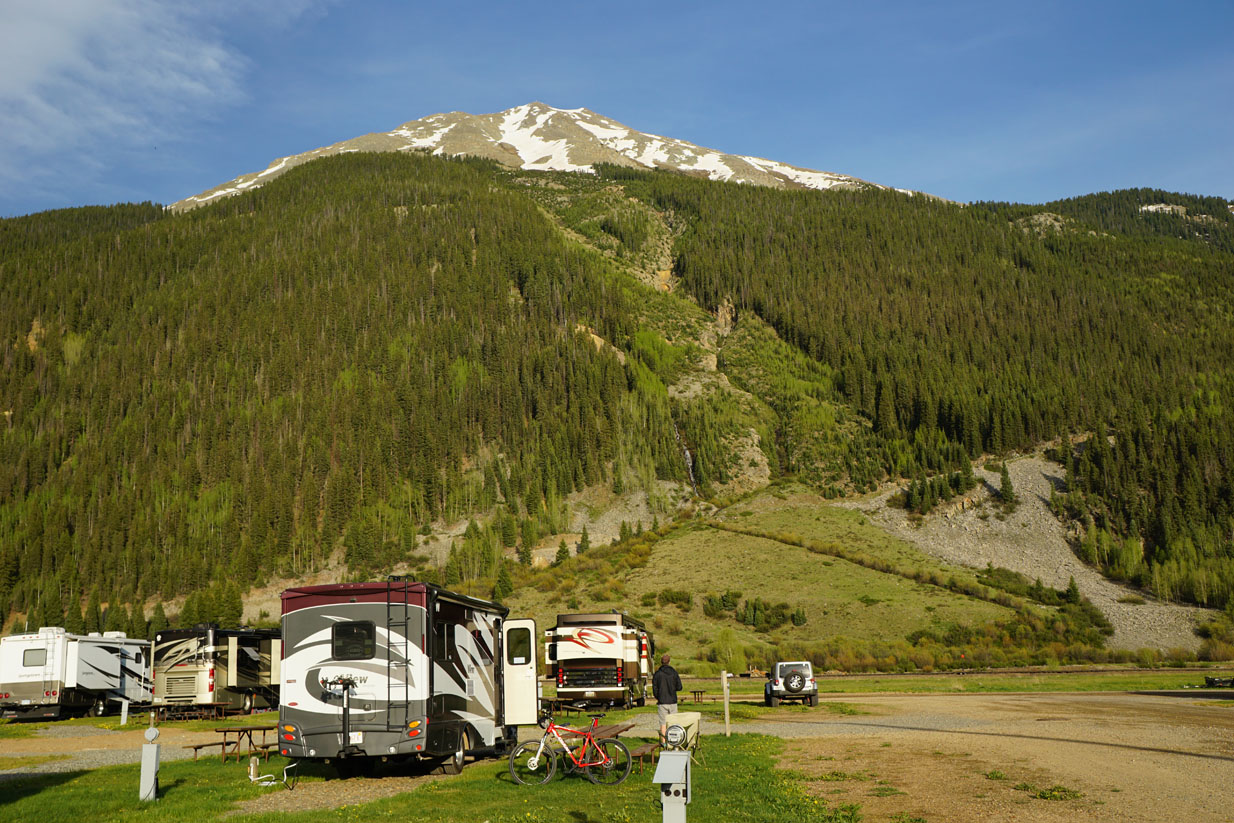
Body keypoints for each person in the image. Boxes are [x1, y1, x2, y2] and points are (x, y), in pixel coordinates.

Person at [652, 653, 682, 744]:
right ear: (669, 662)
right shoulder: (674, 672)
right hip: (673, 701)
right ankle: (674, 741)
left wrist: (659, 697)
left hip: (662, 702)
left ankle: (664, 742)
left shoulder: (657, 674)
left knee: (663, 723)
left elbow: (655, 689)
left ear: (661, 662)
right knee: (673, 722)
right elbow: (679, 687)